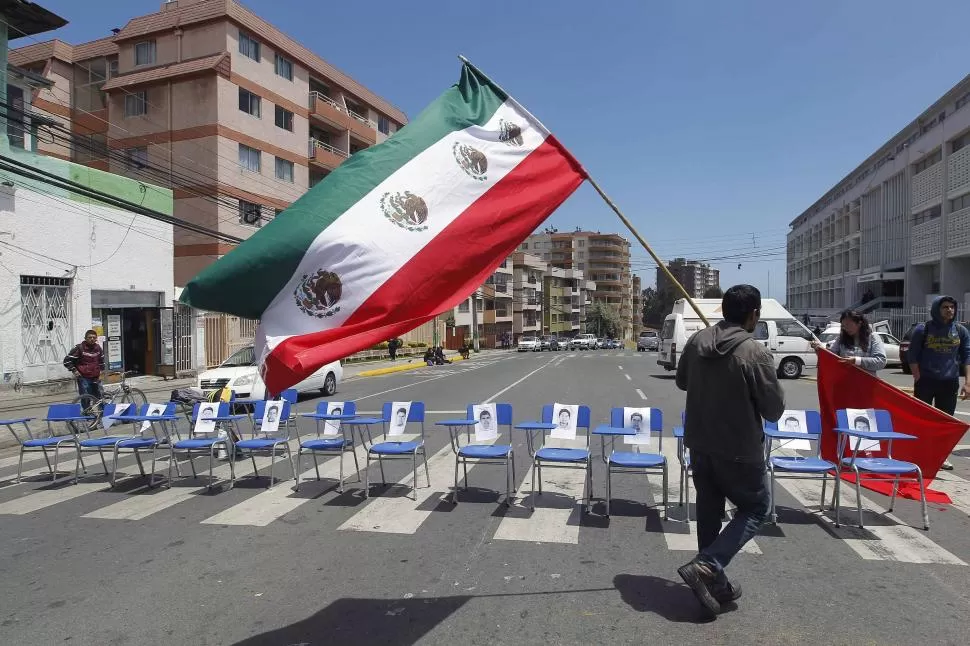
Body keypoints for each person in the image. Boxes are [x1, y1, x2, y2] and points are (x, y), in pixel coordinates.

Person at [674, 284, 785, 617]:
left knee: (709, 512)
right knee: (756, 509)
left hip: (700, 443)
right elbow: (774, 410)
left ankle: (716, 584)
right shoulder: (754, 352)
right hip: (739, 449)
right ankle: (707, 565)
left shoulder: (696, 342)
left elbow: (681, 382)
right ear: (753, 314)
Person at [908, 296, 970, 470]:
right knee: (922, 420)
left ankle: (941, 457)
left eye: (952, 307)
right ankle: (918, 455)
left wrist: (968, 382)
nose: (949, 310)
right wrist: (917, 375)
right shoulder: (923, 329)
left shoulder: (960, 330)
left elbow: (967, 356)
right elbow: (912, 355)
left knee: (945, 422)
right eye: (945, 307)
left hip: (949, 382)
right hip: (926, 381)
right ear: (937, 308)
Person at [812, 309, 887, 376]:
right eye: (843, 326)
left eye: (848, 325)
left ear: (859, 323)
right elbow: (831, 358)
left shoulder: (873, 337)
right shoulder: (841, 339)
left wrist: (856, 360)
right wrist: (819, 350)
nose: (845, 328)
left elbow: (880, 361)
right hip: (845, 383)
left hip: (867, 385)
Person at [63, 330, 106, 400]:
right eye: (90, 337)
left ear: (96, 339)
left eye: (94, 337)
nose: (92, 339)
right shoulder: (79, 348)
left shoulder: (98, 348)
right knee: (86, 398)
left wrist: (101, 372)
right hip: (84, 378)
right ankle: (87, 411)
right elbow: (66, 361)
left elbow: (101, 361)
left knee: (100, 397)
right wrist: (74, 370)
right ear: (85, 338)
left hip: (96, 378)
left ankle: (101, 410)